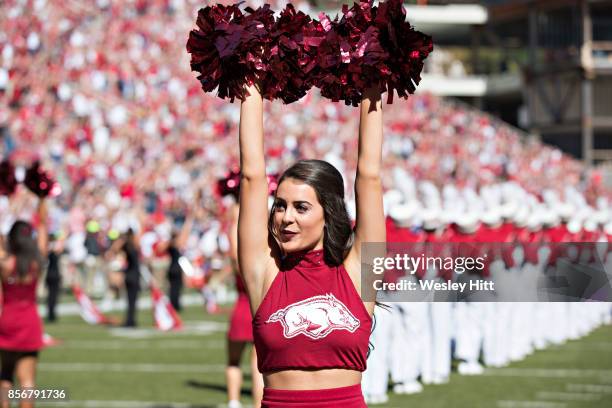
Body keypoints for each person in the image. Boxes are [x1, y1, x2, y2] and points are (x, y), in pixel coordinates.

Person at [236, 82, 384, 407]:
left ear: (328, 214)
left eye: (301, 208)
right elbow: (251, 177)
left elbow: (370, 176)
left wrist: (373, 78)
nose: (286, 217)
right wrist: (250, 79)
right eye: (280, 205)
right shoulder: (265, 271)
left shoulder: (359, 272)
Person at [0, 197, 48, 408]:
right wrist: (42, 198)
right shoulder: (36, 262)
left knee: (5, 377)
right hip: (30, 321)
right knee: (27, 382)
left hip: (7, 321)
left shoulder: (5, 264)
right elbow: (44, 226)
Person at [226, 202, 264, 408]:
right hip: (258, 307)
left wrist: (235, 223)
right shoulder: (262, 252)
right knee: (258, 365)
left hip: (241, 307)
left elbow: (234, 254)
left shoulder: (240, 258)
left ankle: (233, 402)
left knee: (233, 361)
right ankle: (258, 405)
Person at [108, 228, 141, 327]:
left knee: (131, 300)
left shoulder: (129, 246)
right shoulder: (131, 246)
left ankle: (130, 320)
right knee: (132, 300)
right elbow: (115, 249)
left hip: (130, 275)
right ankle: (130, 321)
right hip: (133, 275)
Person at [45, 232, 64, 323]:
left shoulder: (46, 249)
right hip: (54, 274)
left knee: (50, 296)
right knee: (53, 296)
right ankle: (51, 315)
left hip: (49, 275)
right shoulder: (52, 250)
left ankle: (50, 314)